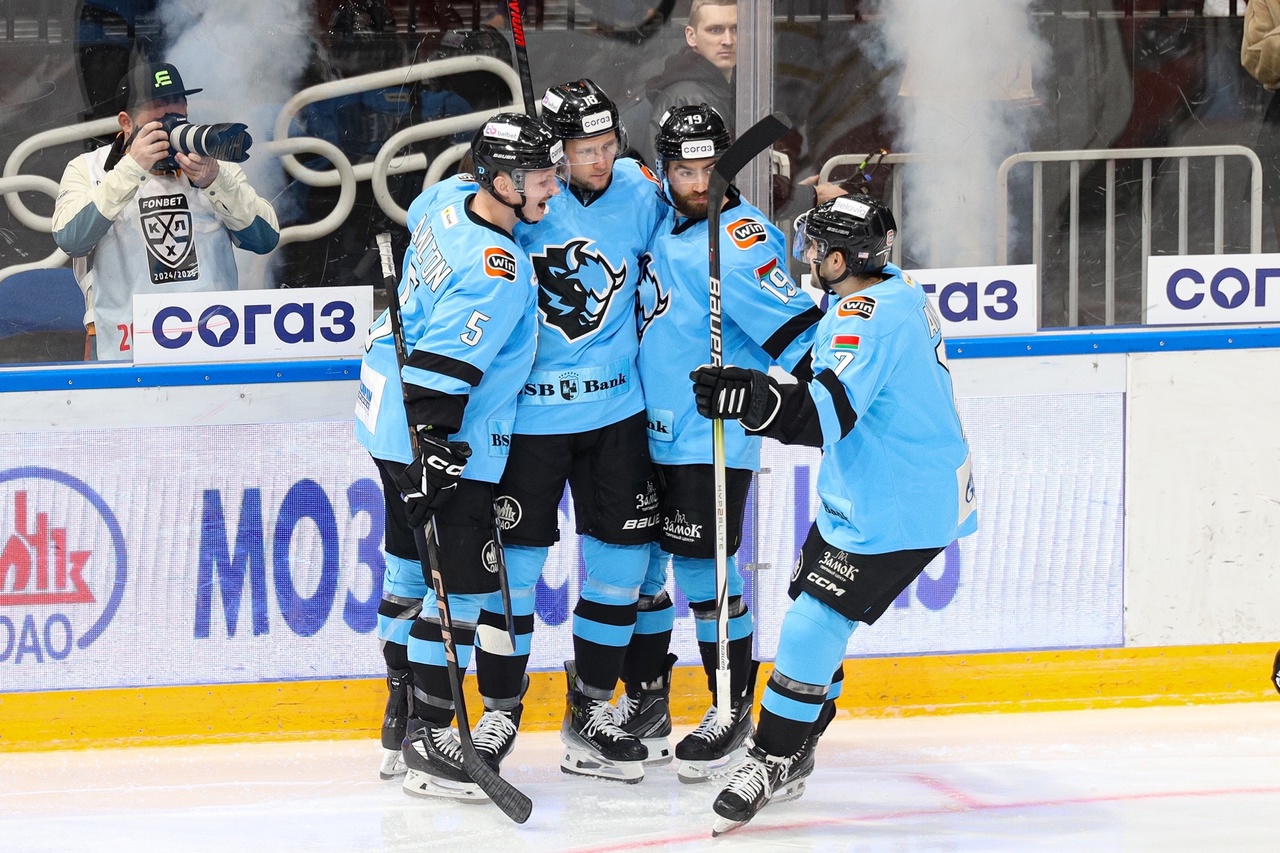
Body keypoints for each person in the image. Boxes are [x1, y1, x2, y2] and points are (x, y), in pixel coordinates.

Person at [693, 195, 977, 834]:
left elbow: (827, 415)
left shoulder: (864, 318)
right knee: (817, 615)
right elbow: (826, 363)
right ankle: (796, 746)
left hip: (895, 505)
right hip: (875, 493)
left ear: (843, 260)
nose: (808, 255)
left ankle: (770, 757)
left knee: (812, 623)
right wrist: (759, 375)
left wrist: (753, 401)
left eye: (817, 248)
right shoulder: (890, 291)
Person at [354, 112, 564, 800]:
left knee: (408, 572)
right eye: (540, 179)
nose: (552, 189)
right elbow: (443, 371)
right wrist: (438, 452)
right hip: (436, 435)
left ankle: (399, 719)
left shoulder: (445, 200)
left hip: (385, 416)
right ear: (501, 183)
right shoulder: (496, 273)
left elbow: (422, 219)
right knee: (462, 593)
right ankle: (430, 737)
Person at [620, 104, 822, 782]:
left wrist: (834, 409)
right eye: (685, 170)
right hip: (649, 428)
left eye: (712, 169)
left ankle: (731, 706)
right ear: (664, 170)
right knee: (643, 572)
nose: (700, 182)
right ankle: (648, 702)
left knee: (706, 578)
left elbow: (802, 340)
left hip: (707, 437)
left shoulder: (737, 243)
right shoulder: (666, 216)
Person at [479, 79, 668, 783]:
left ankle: (590, 710)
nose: (600, 159)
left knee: (621, 571)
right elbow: (445, 213)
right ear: (553, 152)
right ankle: (499, 710)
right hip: (530, 421)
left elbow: (691, 225)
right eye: (585, 149)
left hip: (617, 416)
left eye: (608, 144)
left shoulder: (640, 190)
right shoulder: (523, 197)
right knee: (514, 571)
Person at [51, 62, 279, 361]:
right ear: (126, 122)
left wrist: (215, 181)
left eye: (177, 101)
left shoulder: (213, 165)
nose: (171, 114)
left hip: (211, 342)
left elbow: (265, 239)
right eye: (157, 105)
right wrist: (132, 168)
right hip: (123, 348)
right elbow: (71, 239)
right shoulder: (88, 168)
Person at [642, 0, 736, 164]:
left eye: (736, 29)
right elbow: (692, 177)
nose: (728, 40)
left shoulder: (736, 85)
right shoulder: (688, 98)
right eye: (715, 30)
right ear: (691, 36)